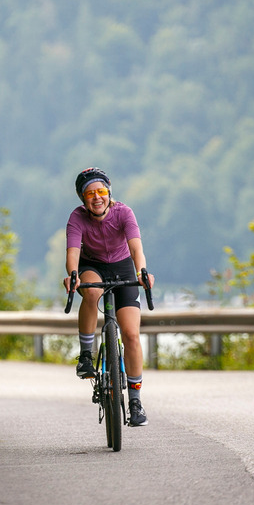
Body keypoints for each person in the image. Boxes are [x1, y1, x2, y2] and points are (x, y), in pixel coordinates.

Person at [63, 167, 154, 427]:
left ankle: (135, 400)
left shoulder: (123, 212)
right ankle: (85, 356)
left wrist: (142, 272)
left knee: (132, 334)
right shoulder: (77, 217)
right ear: (82, 198)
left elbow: (136, 247)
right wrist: (72, 274)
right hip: (92, 266)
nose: (96, 197)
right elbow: (72, 252)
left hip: (123, 266)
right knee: (91, 291)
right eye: (89, 193)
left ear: (109, 192)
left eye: (101, 191)